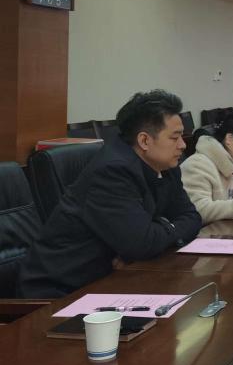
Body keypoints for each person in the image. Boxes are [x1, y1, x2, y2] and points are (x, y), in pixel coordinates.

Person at [19, 90, 203, 298]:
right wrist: (157, 236)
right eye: (175, 137)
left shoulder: (166, 166)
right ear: (144, 140)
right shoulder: (112, 172)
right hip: (60, 292)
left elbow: (192, 218)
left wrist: (154, 237)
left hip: (112, 281)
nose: (183, 145)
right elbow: (142, 243)